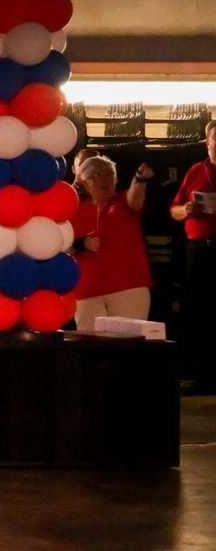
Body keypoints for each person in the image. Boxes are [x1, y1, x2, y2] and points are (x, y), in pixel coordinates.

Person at [71, 155, 154, 332]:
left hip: (127, 286)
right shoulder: (72, 208)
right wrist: (80, 244)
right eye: (96, 176)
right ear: (84, 182)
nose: (105, 180)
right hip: (87, 290)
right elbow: (58, 244)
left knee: (125, 344)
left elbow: (135, 195)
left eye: (110, 175)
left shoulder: (124, 201)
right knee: (89, 344)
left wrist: (140, 179)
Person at [170, 120, 216, 390]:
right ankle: (201, 373)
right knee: (198, 310)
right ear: (207, 143)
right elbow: (173, 211)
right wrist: (186, 211)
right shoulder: (196, 171)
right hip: (199, 250)